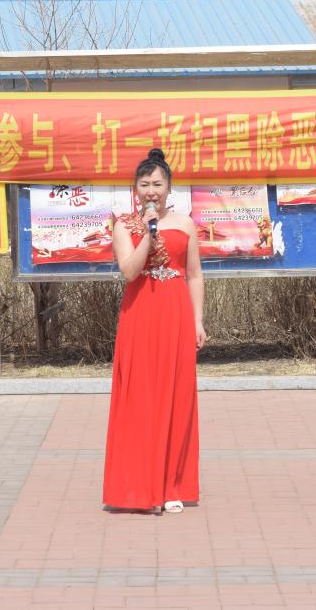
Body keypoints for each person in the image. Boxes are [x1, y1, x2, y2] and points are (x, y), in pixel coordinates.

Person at [103, 148, 207, 514]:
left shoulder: (185, 224)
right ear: (136, 189)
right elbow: (129, 271)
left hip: (176, 313)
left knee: (176, 395)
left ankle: (171, 484)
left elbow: (194, 275)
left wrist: (197, 320)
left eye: (157, 184)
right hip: (140, 314)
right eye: (145, 184)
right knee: (140, 395)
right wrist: (148, 234)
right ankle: (137, 485)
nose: (151, 190)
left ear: (169, 187)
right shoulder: (124, 225)